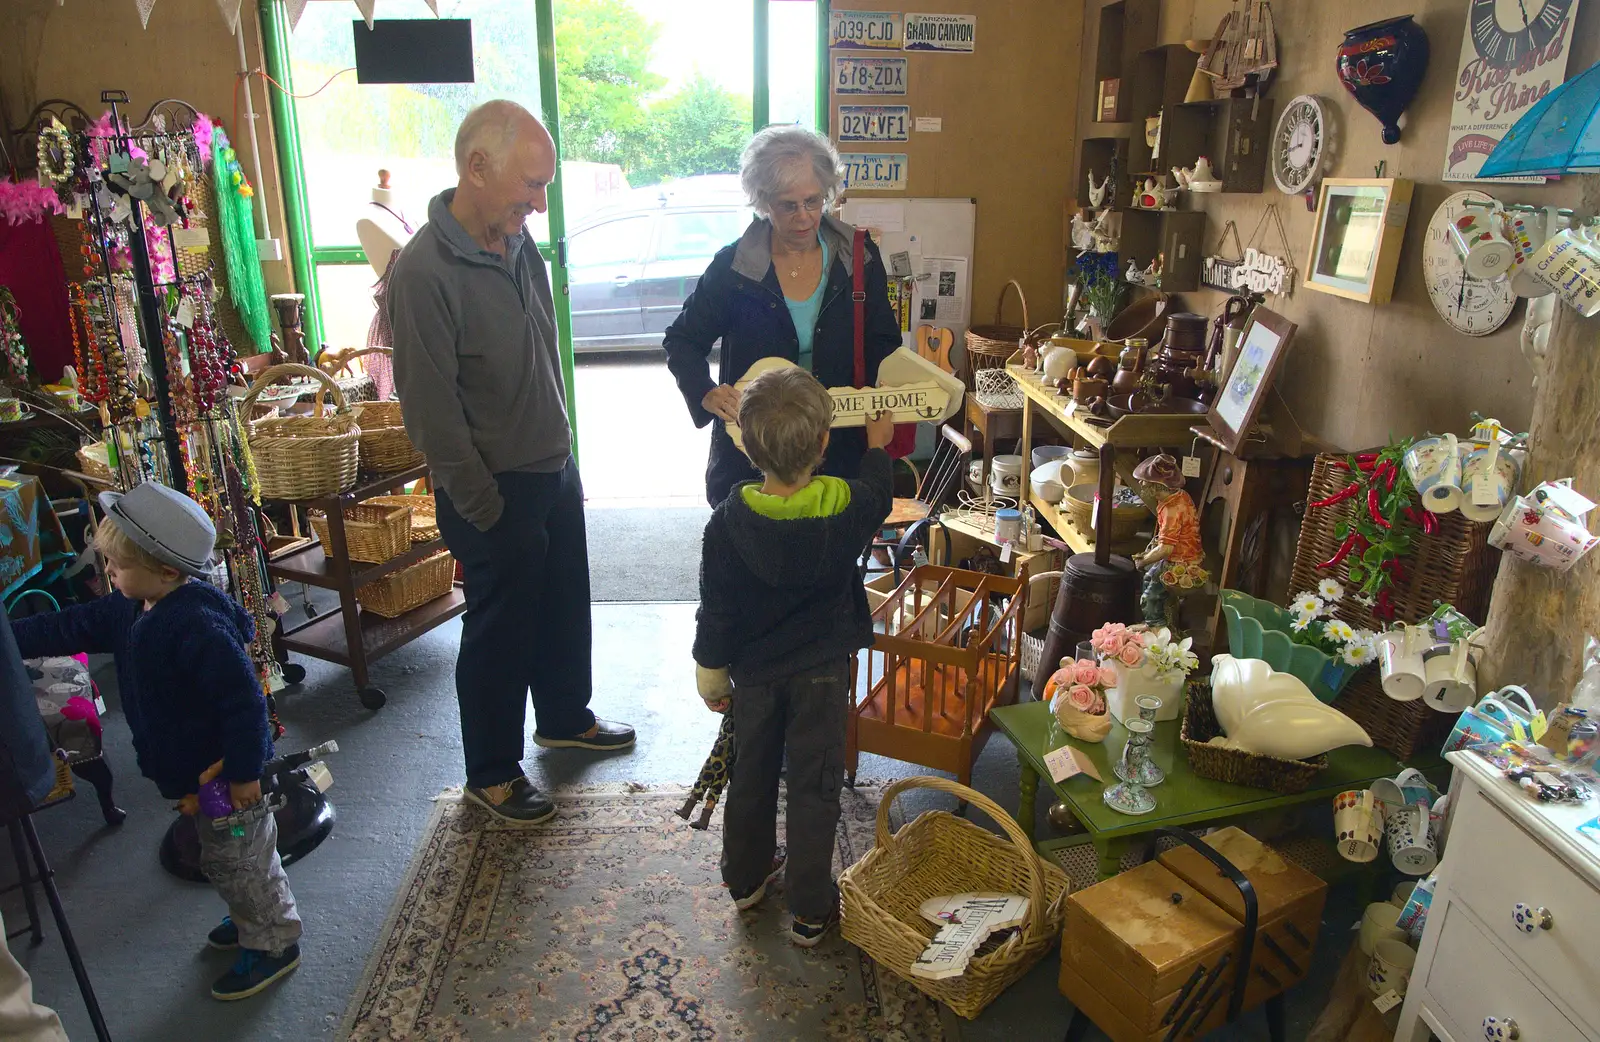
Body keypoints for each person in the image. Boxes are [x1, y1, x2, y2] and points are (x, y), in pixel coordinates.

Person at [388, 99, 634, 825]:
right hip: (490, 490)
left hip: (550, 468)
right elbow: (432, 415)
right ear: (477, 167)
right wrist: (487, 507)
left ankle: (564, 715)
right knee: (499, 632)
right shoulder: (424, 272)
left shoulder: (517, 241)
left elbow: (540, 359)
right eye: (531, 184)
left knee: (561, 606)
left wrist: (565, 460)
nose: (540, 201)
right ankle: (491, 774)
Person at [9, 482, 302, 1001]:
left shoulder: (197, 624)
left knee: (244, 858)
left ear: (167, 571)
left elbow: (244, 703)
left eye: (116, 568)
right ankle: (250, 913)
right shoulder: (130, 605)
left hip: (226, 778)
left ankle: (274, 940)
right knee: (223, 859)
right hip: (192, 777)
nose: (107, 577)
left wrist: (245, 772)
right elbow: (70, 624)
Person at [693, 366, 895, 947]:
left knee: (751, 777)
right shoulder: (849, 507)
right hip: (823, 674)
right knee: (815, 783)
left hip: (753, 676)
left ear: (747, 446)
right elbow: (879, 495)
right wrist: (877, 447)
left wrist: (712, 677)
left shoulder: (728, 524)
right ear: (825, 443)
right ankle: (810, 908)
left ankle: (747, 881)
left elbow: (717, 609)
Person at [665, 125, 902, 507]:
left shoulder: (860, 260)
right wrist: (704, 391)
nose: (804, 217)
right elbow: (682, 340)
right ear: (763, 202)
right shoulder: (734, 268)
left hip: (838, 450)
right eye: (788, 205)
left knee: (835, 560)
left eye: (813, 201)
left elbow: (884, 344)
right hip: (753, 459)